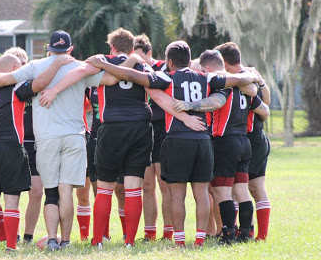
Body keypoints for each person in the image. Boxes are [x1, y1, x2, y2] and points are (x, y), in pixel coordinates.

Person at [86, 40, 260, 247]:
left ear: (169, 61)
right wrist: (251, 76)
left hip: (177, 139)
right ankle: (200, 239)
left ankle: (178, 240)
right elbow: (225, 92)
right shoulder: (207, 77)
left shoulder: (165, 77)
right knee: (202, 192)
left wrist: (106, 64)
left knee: (176, 193)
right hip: (203, 140)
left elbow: (133, 76)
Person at [0, 30, 106, 250]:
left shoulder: (36, 66)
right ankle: (66, 241)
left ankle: (52, 239)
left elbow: (5, 78)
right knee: (67, 191)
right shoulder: (78, 67)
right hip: (74, 135)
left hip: (46, 137)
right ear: (70, 49)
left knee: (51, 192)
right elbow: (111, 78)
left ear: (48, 48)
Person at [0, 53, 73, 251]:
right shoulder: (17, 87)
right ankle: (11, 246)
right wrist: (57, 64)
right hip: (10, 147)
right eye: (20, 66)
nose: (23, 69)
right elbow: (40, 82)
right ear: (13, 69)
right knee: (12, 200)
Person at [173, 49, 269, 244]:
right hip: (244, 141)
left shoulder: (219, 83)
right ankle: (245, 233)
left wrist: (189, 105)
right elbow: (264, 109)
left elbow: (217, 102)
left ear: (208, 68)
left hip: (225, 141)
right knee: (241, 190)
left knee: (221, 191)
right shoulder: (244, 85)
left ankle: (228, 234)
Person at [215, 42, 272, 241]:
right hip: (243, 137)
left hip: (252, 136)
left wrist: (259, 83)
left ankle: (259, 235)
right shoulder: (245, 76)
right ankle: (243, 230)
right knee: (238, 187)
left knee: (254, 187)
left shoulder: (247, 77)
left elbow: (265, 106)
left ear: (224, 61)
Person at [133, 34, 174, 241]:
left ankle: (169, 232)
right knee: (146, 185)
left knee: (164, 184)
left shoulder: (163, 68)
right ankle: (149, 232)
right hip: (141, 130)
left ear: (149, 54)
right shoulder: (130, 70)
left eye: (140, 57)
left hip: (162, 129)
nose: (137, 62)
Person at [5, 47, 42, 244]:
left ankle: (28, 236)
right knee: (12, 194)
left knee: (36, 192)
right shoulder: (4, 86)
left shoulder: (34, 85)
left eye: (21, 63)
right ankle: (14, 235)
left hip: (35, 144)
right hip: (14, 144)